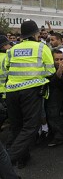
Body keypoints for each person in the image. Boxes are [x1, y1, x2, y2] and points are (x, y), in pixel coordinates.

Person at [4, 19, 55, 168]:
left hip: (12, 91)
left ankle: (22, 158)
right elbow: (50, 70)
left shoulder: (12, 49)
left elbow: (7, 68)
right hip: (31, 91)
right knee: (31, 127)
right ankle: (7, 161)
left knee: (17, 126)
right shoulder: (41, 47)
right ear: (36, 34)